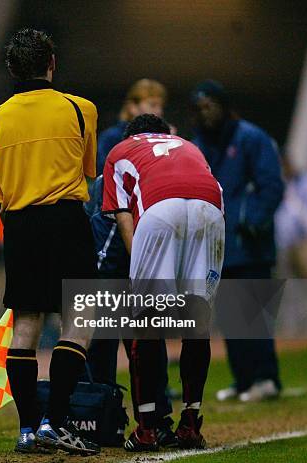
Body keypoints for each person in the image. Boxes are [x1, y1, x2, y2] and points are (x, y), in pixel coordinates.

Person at [0, 28, 100, 456]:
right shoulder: (80, 108)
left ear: (12, 69)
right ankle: (56, 422)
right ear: (51, 64)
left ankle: (28, 428)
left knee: (26, 324)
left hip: (19, 225)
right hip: (66, 219)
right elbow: (86, 170)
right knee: (79, 321)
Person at [103, 114, 225, 451]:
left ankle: (146, 429)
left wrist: (139, 267)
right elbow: (214, 190)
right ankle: (190, 423)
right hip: (210, 209)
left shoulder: (120, 149)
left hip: (159, 211)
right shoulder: (189, 146)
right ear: (163, 133)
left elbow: (123, 214)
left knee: (146, 322)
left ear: (132, 134)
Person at [86, 79, 176, 447]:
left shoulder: (136, 162)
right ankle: (114, 416)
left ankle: (113, 417)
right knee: (129, 344)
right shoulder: (119, 156)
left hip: (125, 265)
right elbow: (110, 216)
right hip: (123, 266)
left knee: (125, 345)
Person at [191, 79, 284, 402]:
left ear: (224, 105)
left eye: (210, 105)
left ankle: (266, 378)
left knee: (254, 315)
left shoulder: (251, 138)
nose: (206, 113)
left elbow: (271, 185)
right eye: (200, 108)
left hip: (250, 245)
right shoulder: (199, 144)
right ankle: (243, 379)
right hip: (219, 247)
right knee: (230, 317)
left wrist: (251, 221)